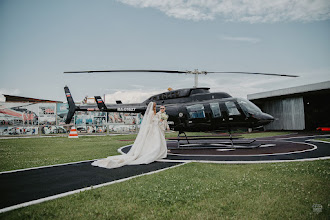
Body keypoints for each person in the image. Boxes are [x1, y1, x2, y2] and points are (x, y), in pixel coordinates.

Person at [92, 102, 167, 169]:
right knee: (154, 141)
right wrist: (159, 120)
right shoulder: (151, 113)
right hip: (153, 128)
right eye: (155, 106)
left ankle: (158, 152)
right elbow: (151, 121)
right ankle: (152, 152)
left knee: (156, 141)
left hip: (155, 127)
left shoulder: (155, 112)